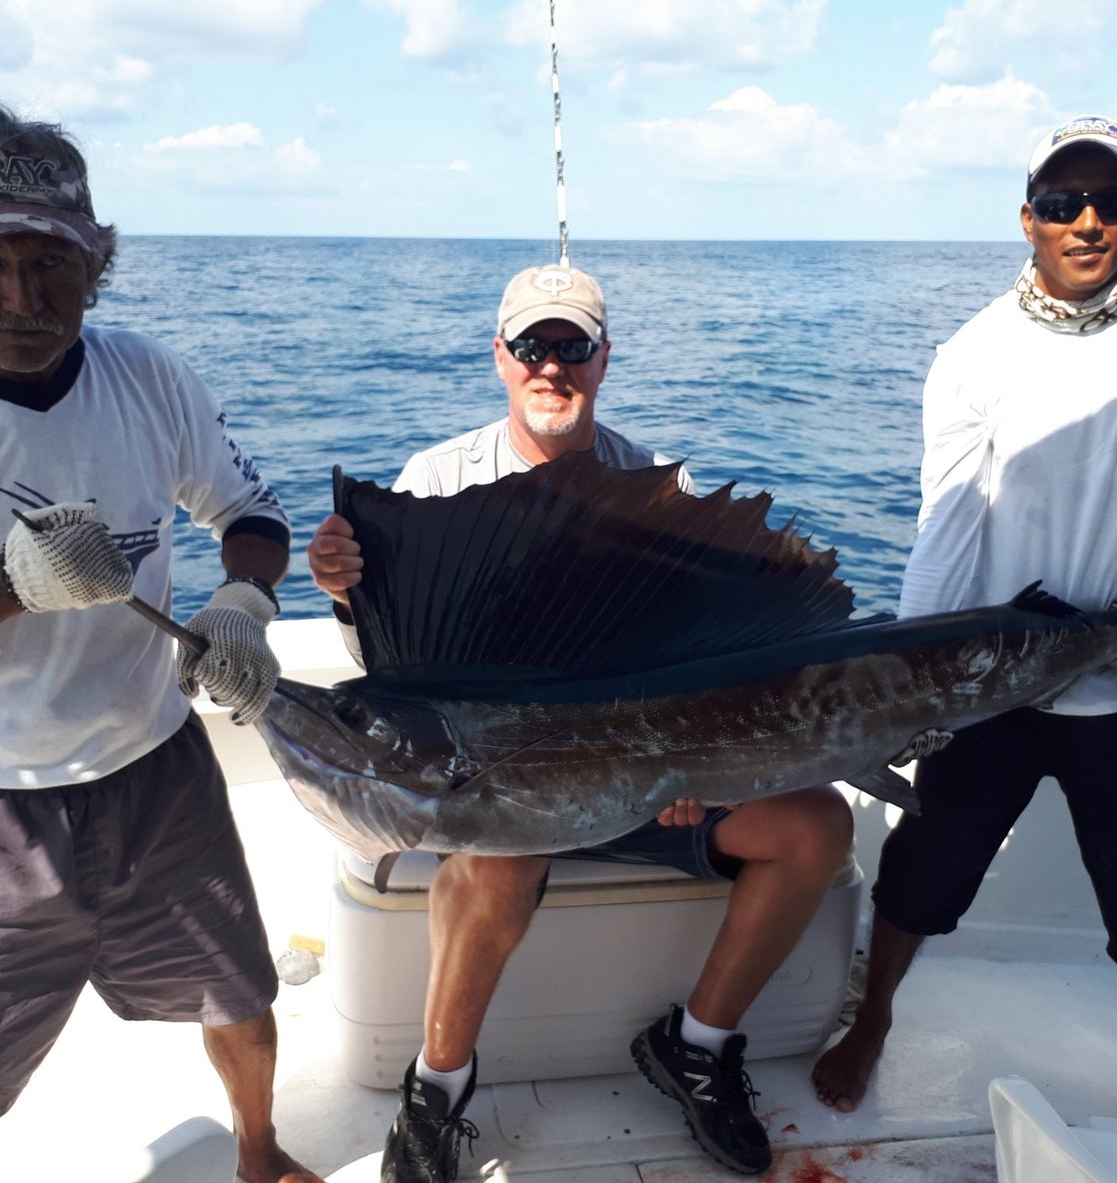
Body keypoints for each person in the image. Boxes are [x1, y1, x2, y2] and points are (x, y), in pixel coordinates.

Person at [308, 263, 854, 1180]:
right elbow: (396, 693)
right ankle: (438, 1088)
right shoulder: (436, 479)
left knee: (817, 825)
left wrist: (686, 769)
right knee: (496, 851)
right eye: (532, 347)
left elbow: (698, 677)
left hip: (646, 781)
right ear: (500, 357)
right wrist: (341, 595)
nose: (550, 367)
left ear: (604, 360)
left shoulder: (654, 498)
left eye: (573, 348)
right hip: (501, 791)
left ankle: (698, 1042)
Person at [811, 114, 1117, 1134]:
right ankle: (874, 1023)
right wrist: (912, 684)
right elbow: (945, 527)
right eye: (1063, 201)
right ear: (1026, 218)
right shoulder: (975, 351)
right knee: (926, 867)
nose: (1087, 220)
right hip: (993, 672)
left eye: (1110, 201)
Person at [0, 105, 320, 1183]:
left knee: (242, 996)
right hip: (6, 806)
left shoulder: (148, 378)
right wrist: (15, 589)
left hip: (158, 768)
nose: (20, 298)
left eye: (51, 264)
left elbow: (255, 514)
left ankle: (262, 1156)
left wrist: (244, 604)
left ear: (97, 267)